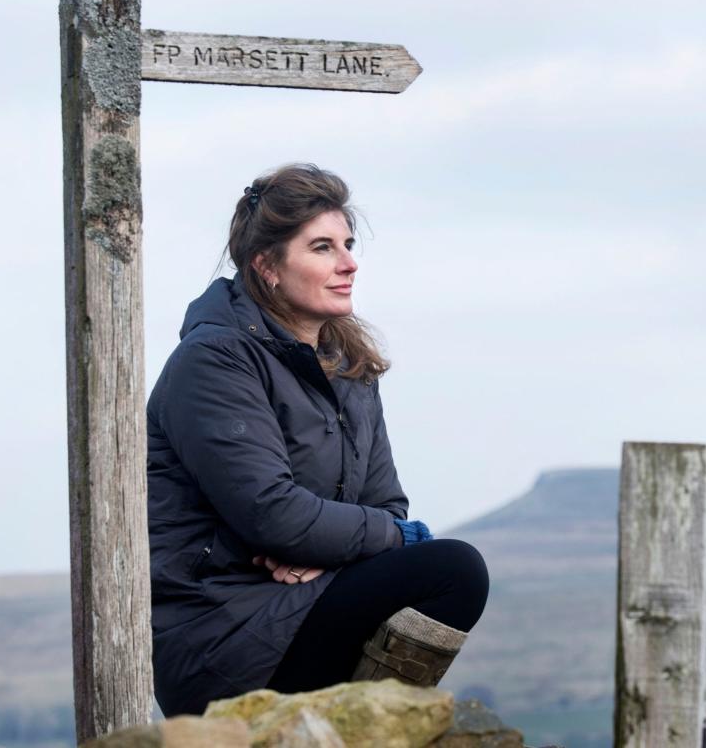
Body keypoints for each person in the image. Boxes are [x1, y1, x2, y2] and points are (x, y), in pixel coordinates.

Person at [147, 163, 490, 716]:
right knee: (450, 568)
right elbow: (273, 514)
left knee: (453, 574)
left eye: (348, 245)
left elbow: (386, 505)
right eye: (323, 248)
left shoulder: (349, 368)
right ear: (268, 266)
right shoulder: (214, 361)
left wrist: (323, 555)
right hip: (221, 632)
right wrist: (377, 540)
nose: (349, 263)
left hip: (302, 601)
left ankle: (357, 727)